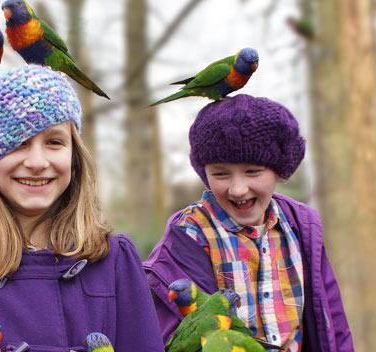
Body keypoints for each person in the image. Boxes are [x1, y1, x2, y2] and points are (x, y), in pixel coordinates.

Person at [0, 65, 165, 352]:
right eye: (18, 143)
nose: (38, 162)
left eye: (54, 142)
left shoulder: (113, 260)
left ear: (74, 154)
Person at [144, 94, 354, 352]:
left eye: (253, 172)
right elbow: (178, 335)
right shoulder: (188, 235)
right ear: (204, 173)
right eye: (220, 174)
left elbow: (333, 323)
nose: (238, 189)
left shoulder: (301, 227)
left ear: (279, 169)